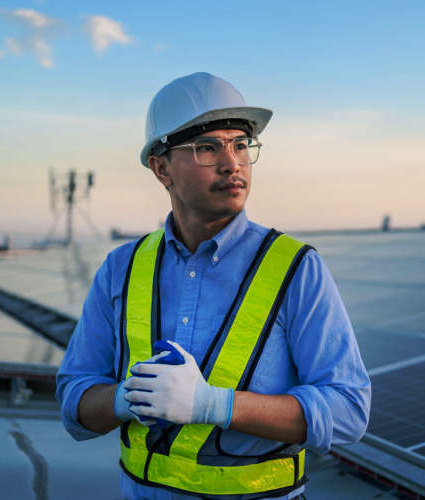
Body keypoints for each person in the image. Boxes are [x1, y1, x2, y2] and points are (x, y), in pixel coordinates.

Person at [56, 72, 371, 500]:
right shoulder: (121, 268)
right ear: (161, 168)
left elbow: (349, 412)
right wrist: (124, 399)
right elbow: (75, 399)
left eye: (241, 144)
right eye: (208, 148)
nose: (232, 163)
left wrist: (215, 405)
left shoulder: (297, 268)